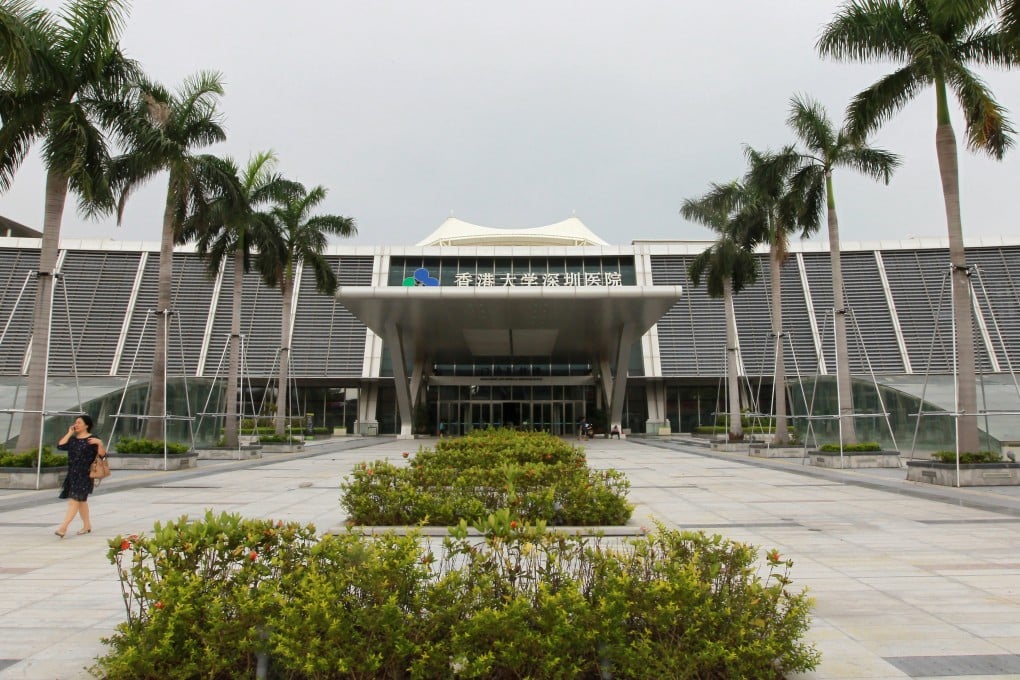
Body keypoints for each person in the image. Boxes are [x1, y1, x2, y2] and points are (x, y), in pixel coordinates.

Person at [54, 415, 106, 538]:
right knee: (81, 501)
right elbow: (60, 446)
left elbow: (103, 456)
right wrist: (69, 433)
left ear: (86, 425)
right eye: (75, 423)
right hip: (73, 474)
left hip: (86, 475)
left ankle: (63, 527)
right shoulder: (73, 440)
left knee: (74, 501)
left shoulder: (93, 439)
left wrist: (100, 443)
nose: (76, 425)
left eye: (79, 423)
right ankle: (87, 525)